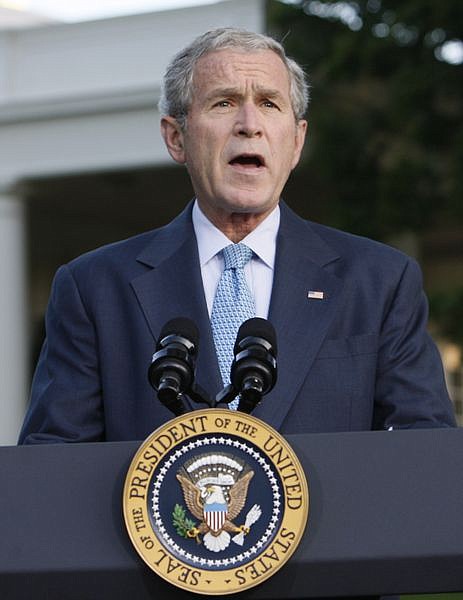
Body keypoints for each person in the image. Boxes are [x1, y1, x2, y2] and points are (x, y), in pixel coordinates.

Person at [18, 28, 455, 445]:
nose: (250, 124)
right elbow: (52, 466)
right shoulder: (93, 289)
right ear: (176, 138)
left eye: (269, 103)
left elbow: (426, 458)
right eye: (224, 103)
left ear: (297, 141)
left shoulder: (380, 282)